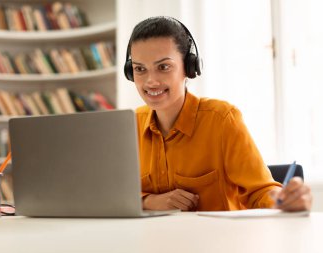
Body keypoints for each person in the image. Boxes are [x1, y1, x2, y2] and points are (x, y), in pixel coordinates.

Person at [124, 16, 312, 212]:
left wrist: (285, 200)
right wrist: (148, 201)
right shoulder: (129, 126)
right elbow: (113, 195)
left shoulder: (222, 119)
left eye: (163, 67)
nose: (151, 81)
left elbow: (261, 191)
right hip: (152, 240)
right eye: (140, 69)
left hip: (219, 241)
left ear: (189, 68)